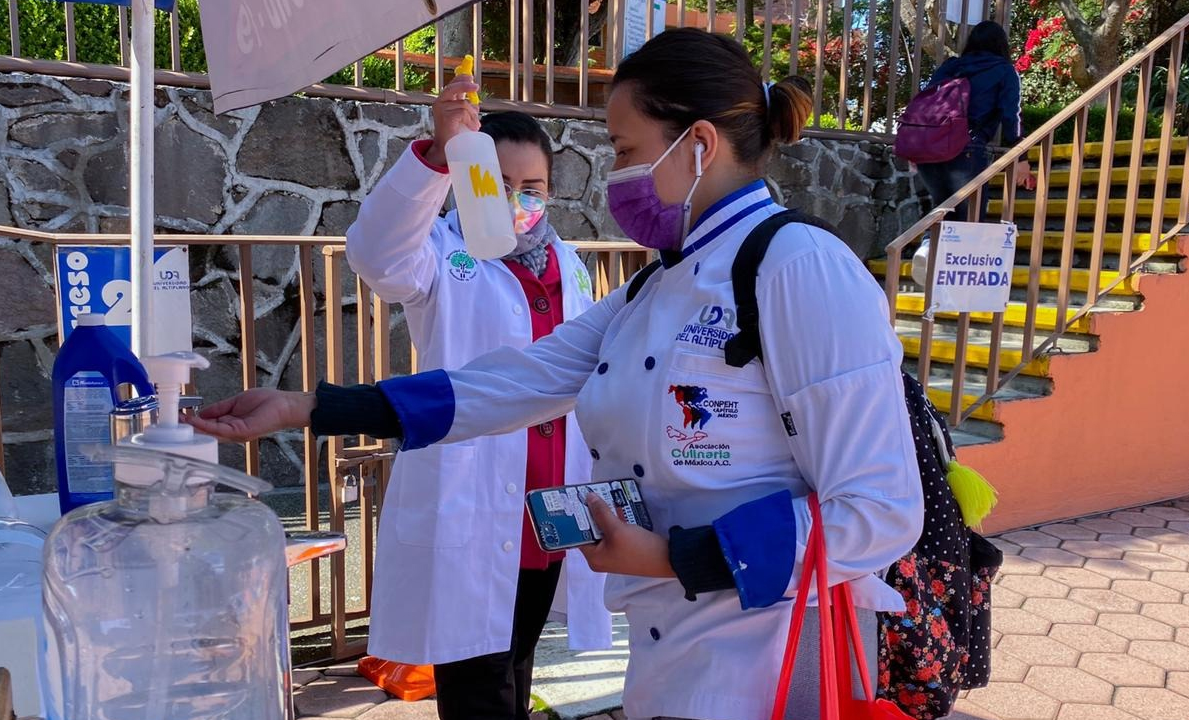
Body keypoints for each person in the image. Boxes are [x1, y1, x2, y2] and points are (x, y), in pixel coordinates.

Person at [192, 28, 922, 720]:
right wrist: (306, 407)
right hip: (670, 663)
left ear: (698, 144)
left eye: (625, 148)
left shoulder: (802, 269)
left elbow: (880, 510)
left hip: (768, 666)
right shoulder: (651, 290)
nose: (615, 174)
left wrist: (675, 558)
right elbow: (509, 383)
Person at [337, 80, 611, 720]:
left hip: (546, 514)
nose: (519, 199)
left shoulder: (568, 263)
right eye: (500, 183)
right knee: (478, 691)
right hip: (473, 505)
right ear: (470, 182)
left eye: (534, 186)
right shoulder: (439, 250)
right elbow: (375, 254)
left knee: (517, 665)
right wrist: (437, 150)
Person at [916, 21, 1032, 223]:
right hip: (966, 147)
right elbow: (1011, 116)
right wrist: (1021, 156)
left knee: (942, 210)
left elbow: (925, 101)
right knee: (969, 216)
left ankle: (928, 247)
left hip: (930, 147)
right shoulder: (1004, 71)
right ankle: (937, 249)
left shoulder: (951, 66)